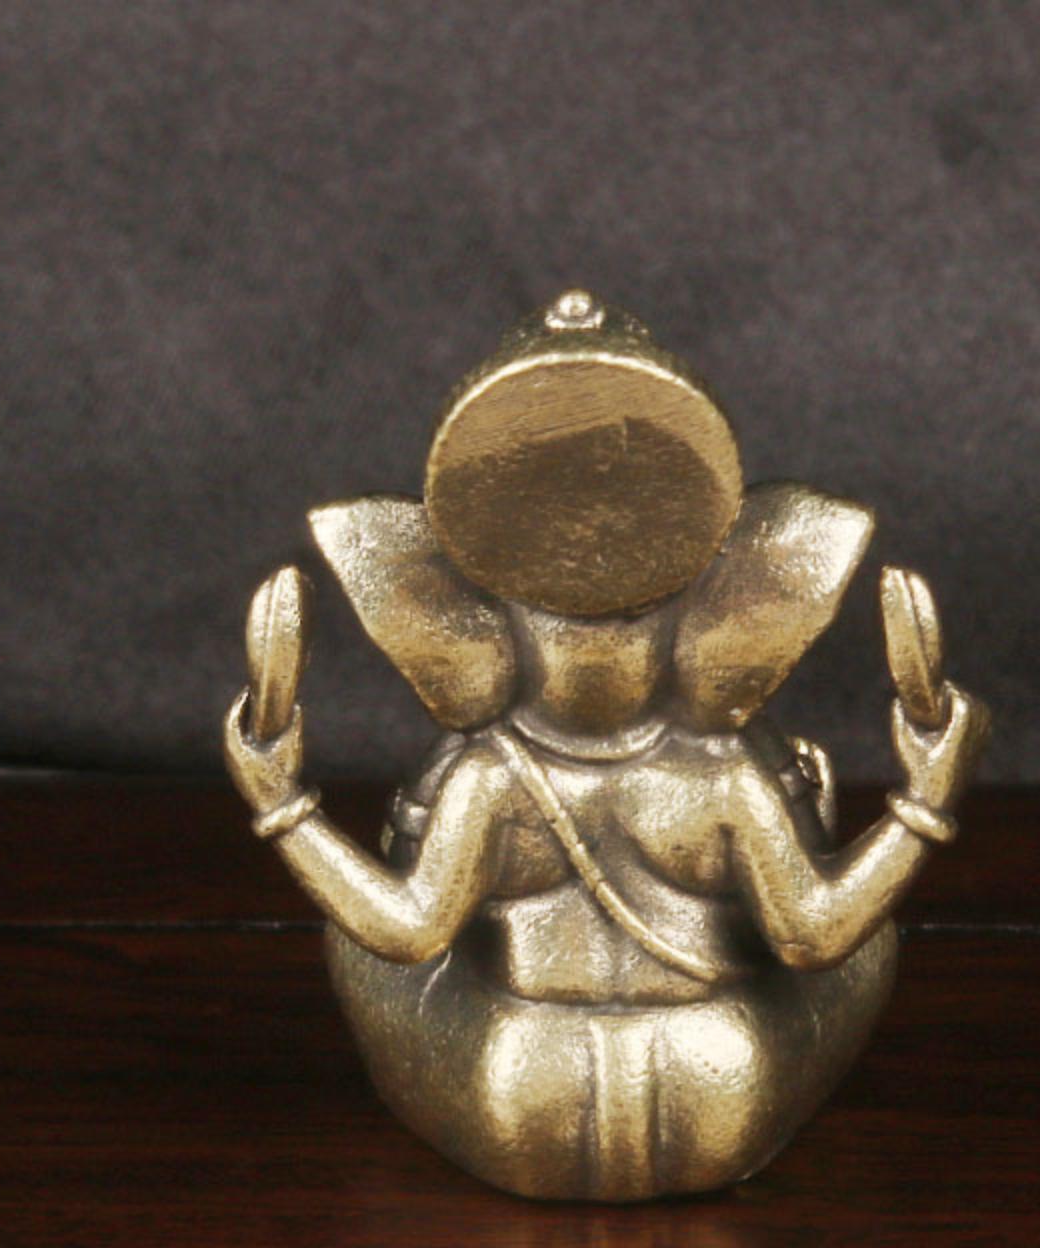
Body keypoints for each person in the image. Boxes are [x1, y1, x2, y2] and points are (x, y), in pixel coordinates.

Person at [225, 293, 988, 1200]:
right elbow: (816, 933)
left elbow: (410, 928)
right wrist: (921, 802)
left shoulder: (487, 773)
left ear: (481, 635)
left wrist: (285, 806)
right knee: (869, 942)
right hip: (721, 1077)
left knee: (357, 943)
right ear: (714, 626)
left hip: (520, 1084)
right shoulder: (721, 773)